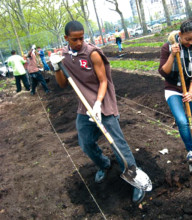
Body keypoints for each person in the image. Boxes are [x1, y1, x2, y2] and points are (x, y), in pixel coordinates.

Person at [50, 20, 146, 203]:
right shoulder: (63, 57)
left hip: (103, 102)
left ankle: (135, 179)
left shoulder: (92, 54)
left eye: (81, 38)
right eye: (74, 39)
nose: (79, 43)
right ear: (66, 38)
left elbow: (103, 81)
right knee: (85, 142)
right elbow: (62, 84)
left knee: (117, 143)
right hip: (84, 106)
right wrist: (56, 67)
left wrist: (98, 105)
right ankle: (104, 164)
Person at [158, 18, 192, 163]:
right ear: (179, 34)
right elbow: (163, 72)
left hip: (190, 88)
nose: (191, 42)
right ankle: (190, 150)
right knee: (181, 120)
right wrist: (173, 55)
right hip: (173, 88)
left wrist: (190, 92)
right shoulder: (167, 47)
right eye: (188, 39)